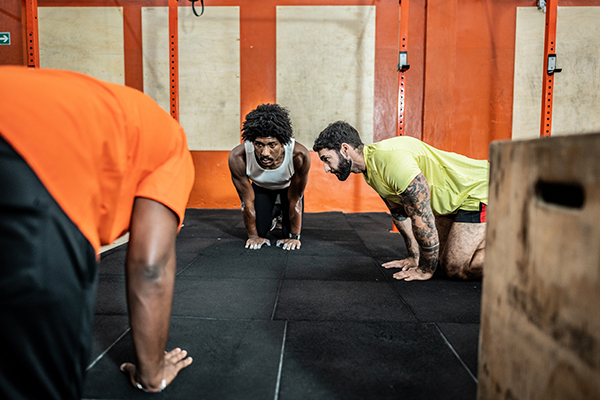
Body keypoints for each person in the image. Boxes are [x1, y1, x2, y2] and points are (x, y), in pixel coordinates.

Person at [0, 66, 194, 399]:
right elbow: (151, 266)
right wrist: (152, 373)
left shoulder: (117, 112)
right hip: (30, 168)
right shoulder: (172, 145)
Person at [313, 121, 489, 281]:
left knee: (455, 268)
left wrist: (425, 270)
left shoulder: (390, 161)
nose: (326, 169)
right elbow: (400, 213)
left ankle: (513, 256)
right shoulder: (370, 168)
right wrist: (414, 257)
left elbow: (424, 219)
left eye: (326, 159)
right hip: (453, 202)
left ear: (345, 149)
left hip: (477, 191)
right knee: (441, 260)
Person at [228, 104, 311, 251]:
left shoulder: (299, 155)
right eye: (259, 145)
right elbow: (247, 201)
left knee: (287, 233)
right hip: (261, 188)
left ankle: (281, 212)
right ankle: (275, 211)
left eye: (272, 145)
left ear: (283, 143)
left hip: (288, 189)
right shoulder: (238, 157)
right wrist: (253, 236)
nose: (265, 153)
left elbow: (295, 198)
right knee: (259, 231)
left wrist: (294, 237)